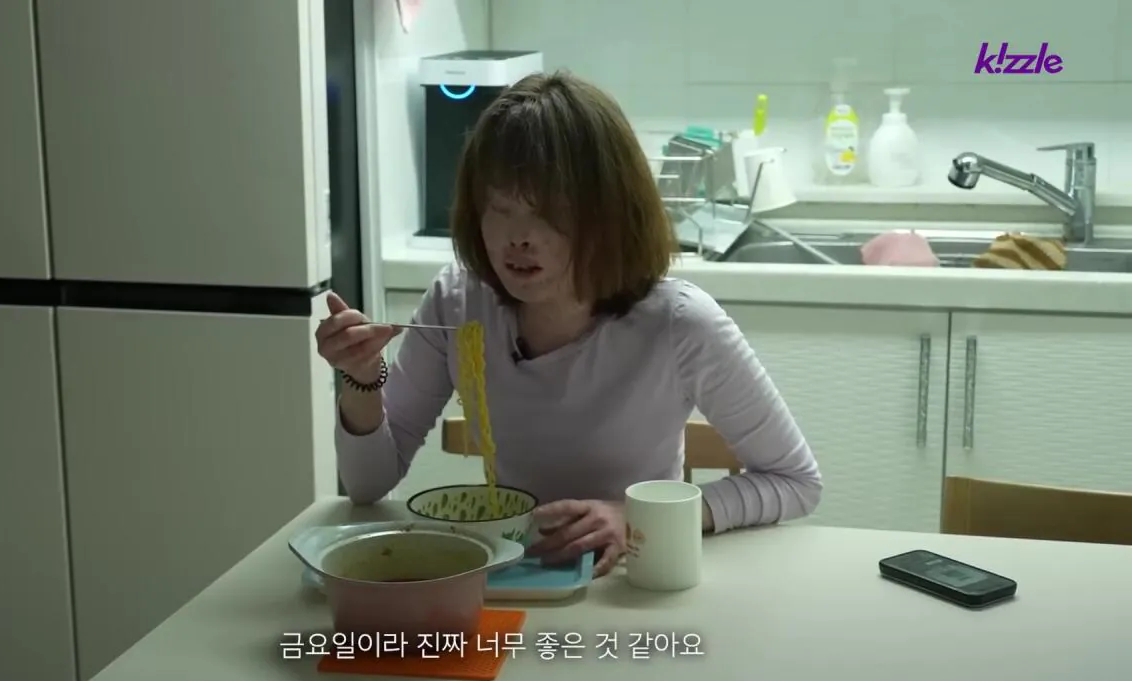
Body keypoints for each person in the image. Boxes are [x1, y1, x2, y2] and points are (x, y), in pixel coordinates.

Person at [315, 71, 821, 578]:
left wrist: (637, 518)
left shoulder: (680, 323)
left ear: (608, 214)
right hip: (514, 574)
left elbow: (795, 481)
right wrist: (361, 379)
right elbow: (368, 485)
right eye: (500, 208)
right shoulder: (459, 301)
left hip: (632, 579)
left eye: (549, 213)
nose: (518, 238)